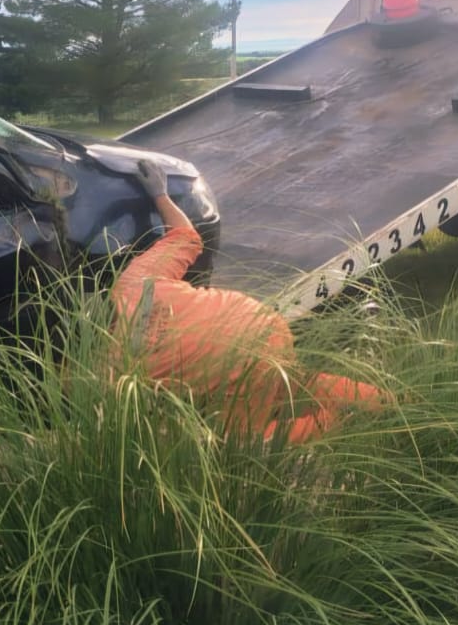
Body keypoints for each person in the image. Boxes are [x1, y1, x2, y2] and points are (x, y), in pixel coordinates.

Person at [114, 158, 390, 443]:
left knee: (241, 443)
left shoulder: (112, 372)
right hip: (262, 323)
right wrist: (160, 194)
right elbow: (186, 237)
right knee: (290, 381)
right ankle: (393, 402)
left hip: (240, 366)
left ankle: (334, 421)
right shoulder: (133, 282)